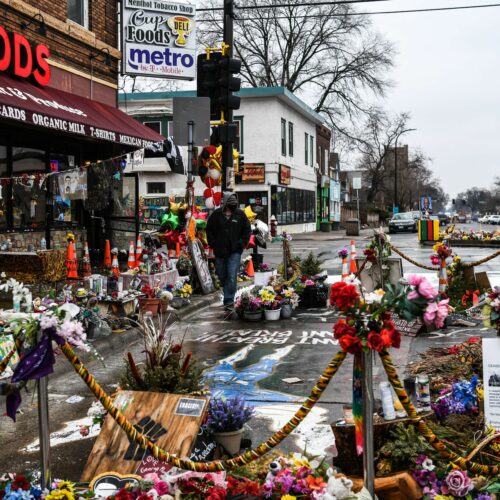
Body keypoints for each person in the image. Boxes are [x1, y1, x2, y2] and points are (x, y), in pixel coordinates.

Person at [207, 192, 251, 311]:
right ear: (226, 204)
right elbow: (209, 230)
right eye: (231, 205)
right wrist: (213, 243)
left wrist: (241, 244)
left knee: (231, 275)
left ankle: (228, 300)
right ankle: (228, 292)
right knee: (222, 274)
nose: (233, 207)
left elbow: (247, 230)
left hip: (234, 251)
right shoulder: (216, 215)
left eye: (235, 205)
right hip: (219, 250)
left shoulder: (240, 215)